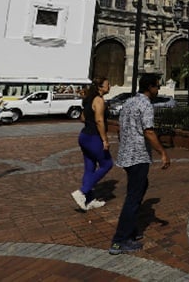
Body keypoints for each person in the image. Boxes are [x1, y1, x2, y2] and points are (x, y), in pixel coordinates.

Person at [109, 74, 171, 254]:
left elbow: (120, 128)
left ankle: (132, 231)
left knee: (141, 187)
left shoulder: (129, 102)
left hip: (127, 155)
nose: (158, 90)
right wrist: (163, 152)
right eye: (157, 86)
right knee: (133, 198)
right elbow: (149, 132)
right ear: (149, 87)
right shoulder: (145, 105)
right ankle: (119, 240)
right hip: (138, 156)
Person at [71, 77, 113, 211]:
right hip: (94, 137)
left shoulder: (89, 100)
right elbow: (99, 121)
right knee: (107, 164)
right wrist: (105, 140)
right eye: (107, 84)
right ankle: (82, 192)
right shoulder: (99, 100)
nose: (110, 86)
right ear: (100, 87)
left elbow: (82, 118)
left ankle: (89, 200)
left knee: (89, 167)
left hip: (84, 136)